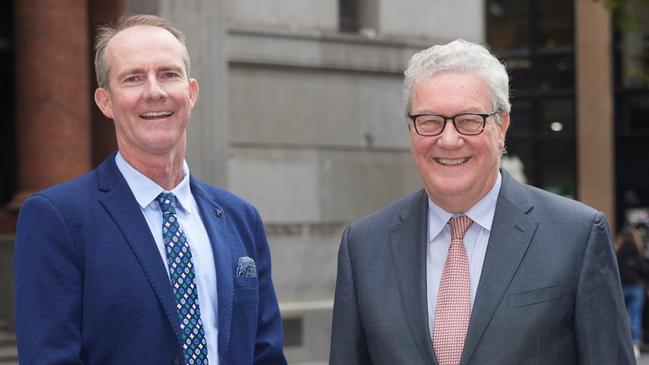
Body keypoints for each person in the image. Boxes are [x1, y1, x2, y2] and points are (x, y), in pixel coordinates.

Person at [329, 39, 634, 364]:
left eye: (469, 120)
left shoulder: (578, 236)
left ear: (501, 126)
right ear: (410, 129)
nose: (448, 140)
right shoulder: (363, 247)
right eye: (430, 121)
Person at [13, 14, 287, 365]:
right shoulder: (57, 219)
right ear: (105, 102)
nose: (154, 91)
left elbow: (266, 354)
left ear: (191, 93)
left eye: (168, 74)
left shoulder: (240, 218)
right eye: (133, 78)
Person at [616, 226, 649, 357]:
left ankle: (622, 344)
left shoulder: (617, 253)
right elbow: (645, 271)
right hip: (636, 288)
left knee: (621, 318)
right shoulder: (638, 252)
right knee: (635, 317)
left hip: (622, 288)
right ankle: (634, 345)